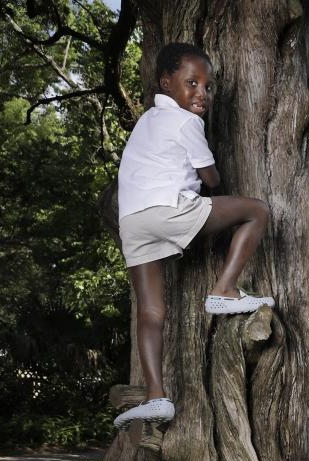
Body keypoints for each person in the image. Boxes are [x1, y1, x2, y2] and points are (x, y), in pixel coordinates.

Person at [114, 42, 272, 430]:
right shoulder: (186, 122)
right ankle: (224, 291)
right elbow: (211, 178)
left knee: (150, 312)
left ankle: (156, 397)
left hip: (132, 220)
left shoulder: (145, 122)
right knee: (257, 211)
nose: (202, 94)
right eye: (192, 83)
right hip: (169, 209)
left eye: (207, 86)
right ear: (165, 82)